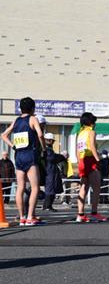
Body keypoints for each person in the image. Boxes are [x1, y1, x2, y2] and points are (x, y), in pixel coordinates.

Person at [1, 97, 46, 226]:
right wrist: (43, 149)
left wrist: (13, 146)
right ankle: (30, 216)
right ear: (33, 108)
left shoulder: (16, 120)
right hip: (30, 155)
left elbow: (3, 135)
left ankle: (22, 217)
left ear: (20, 108)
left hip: (19, 155)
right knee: (35, 187)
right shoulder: (33, 119)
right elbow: (40, 134)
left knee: (20, 187)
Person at [75, 112, 107, 223]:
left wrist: (79, 161)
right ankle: (94, 212)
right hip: (90, 160)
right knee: (97, 187)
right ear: (91, 122)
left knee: (83, 187)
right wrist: (98, 161)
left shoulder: (80, 133)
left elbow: (77, 150)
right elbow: (92, 147)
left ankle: (80, 214)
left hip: (82, 161)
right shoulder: (91, 132)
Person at [42, 133, 66, 212]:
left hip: (49, 170)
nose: (53, 142)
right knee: (50, 188)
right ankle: (47, 206)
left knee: (51, 188)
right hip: (49, 171)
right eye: (52, 141)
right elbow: (52, 158)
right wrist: (62, 157)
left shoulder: (46, 148)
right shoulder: (46, 149)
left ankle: (47, 205)